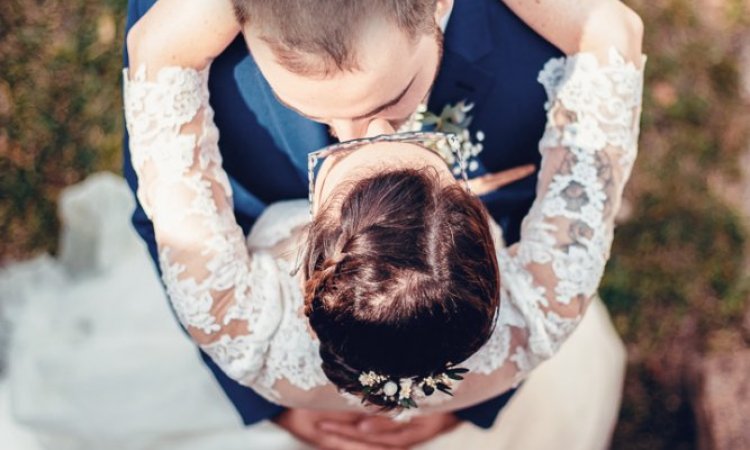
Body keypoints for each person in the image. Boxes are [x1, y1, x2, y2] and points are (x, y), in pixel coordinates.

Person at [123, 0, 644, 448]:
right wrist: (464, 403)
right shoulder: (538, 317)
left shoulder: (241, 334)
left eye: (393, 97)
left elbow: (158, 56)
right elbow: (610, 32)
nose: (366, 139)